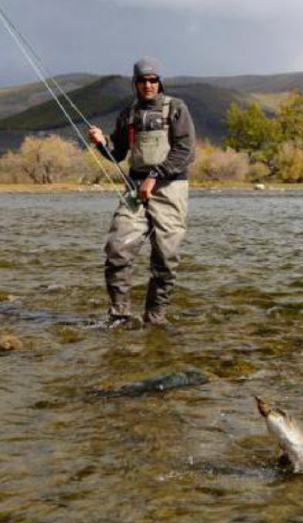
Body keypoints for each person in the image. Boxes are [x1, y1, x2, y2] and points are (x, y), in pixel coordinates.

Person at [88, 57, 196, 328]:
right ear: (134, 83)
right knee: (117, 251)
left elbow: (185, 152)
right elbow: (117, 154)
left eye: (152, 80)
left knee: (166, 258)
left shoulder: (177, 108)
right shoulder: (128, 114)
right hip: (134, 190)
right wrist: (102, 143)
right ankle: (119, 316)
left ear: (159, 81)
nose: (148, 85)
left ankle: (155, 318)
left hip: (170, 189)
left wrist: (154, 176)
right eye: (142, 81)